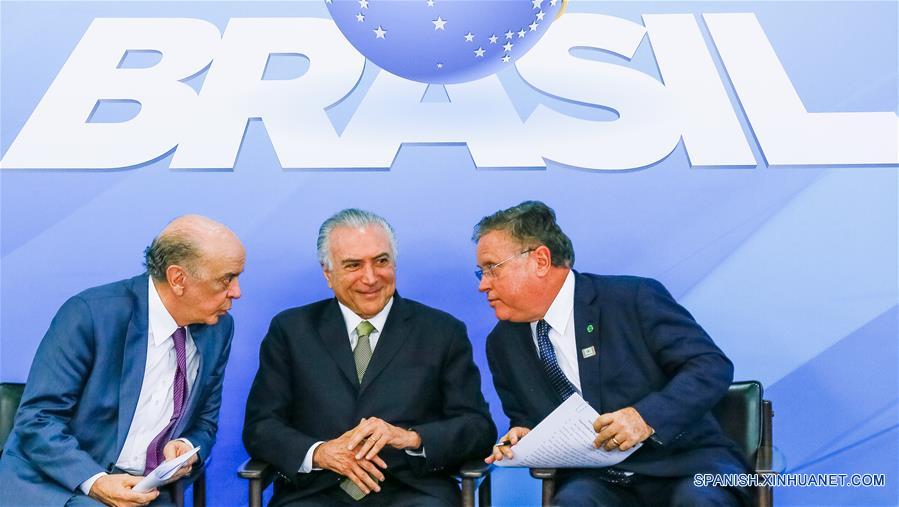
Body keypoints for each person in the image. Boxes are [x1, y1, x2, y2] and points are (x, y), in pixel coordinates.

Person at [475, 201, 749, 506]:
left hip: (685, 465)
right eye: (481, 272)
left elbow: (710, 366)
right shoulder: (502, 343)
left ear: (540, 260)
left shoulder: (632, 298)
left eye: (492, 268)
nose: (483, 285)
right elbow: (524, 415)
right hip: (597, 480)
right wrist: (524, 435)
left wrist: (646, 417)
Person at [244, 208, 496, 507]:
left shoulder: (442, 331)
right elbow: (261, 427)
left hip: (412, 491)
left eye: (381, 261)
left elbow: (478, 428)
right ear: (328, 273)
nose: (370, 277)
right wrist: (320, 453)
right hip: (316, 492)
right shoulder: (291, 330)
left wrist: (411, 438)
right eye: (353, 265)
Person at [0, 215, 245, 507]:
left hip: (146, 491)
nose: (237, 292)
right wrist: (96, 481)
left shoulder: (218, 329)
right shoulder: (90, 314)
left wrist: (186, 446)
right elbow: (38, 419)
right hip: (60, 485)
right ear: (178, 279)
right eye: (226, 279)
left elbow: (205, 422)